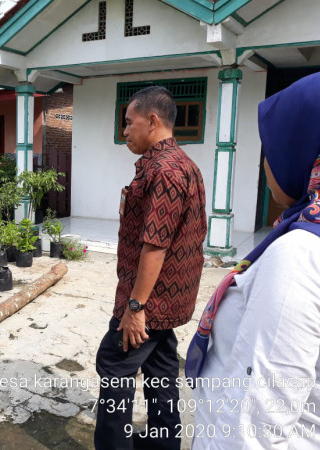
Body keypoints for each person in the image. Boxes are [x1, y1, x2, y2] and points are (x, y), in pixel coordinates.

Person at [187, 70, 320, 449]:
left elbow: (252, 431)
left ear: (305, 150)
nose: (265, 163)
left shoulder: (300, 256)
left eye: (273, 148)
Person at [94, 86, 207, 450]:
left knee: (115, 365)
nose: (125, 131)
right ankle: (163, 442)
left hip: (149, 302)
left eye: (129, 123)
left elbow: (155, 245)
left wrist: (135, 308)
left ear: (153, 121)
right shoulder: (184, 164)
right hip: (169, 301)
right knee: (159, 369)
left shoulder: (165, 171)